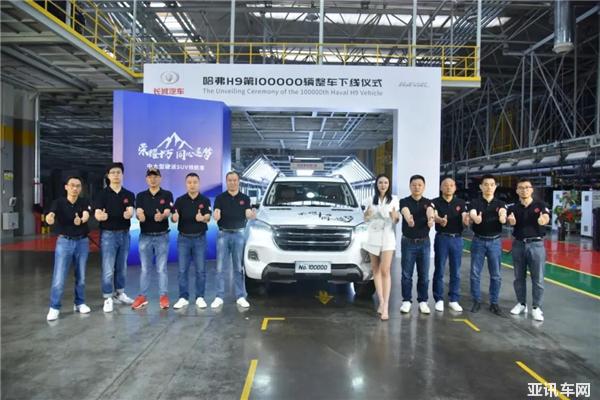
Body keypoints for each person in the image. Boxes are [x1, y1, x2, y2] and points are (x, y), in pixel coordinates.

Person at [46, 176, 92, 321]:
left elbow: (86, 214)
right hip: (64, 242)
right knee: (59, 276)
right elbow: (51, 214)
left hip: (82, 242)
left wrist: (81, 220)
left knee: (81, 275)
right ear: (66, 187)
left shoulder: (84, 201)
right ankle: (54, 307)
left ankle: (79, 303)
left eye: (78, 186)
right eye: (72, 185)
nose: (75, 188)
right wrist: (49, 218)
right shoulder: (58, 202)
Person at [94, 162, 136, 312]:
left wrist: (130, 213)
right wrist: (100, 216)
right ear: (108, 175)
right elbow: (97, 212)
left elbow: (130, 210)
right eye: (113, 172)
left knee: (121, 266)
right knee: (108, 268)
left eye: (118, 172)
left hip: (124, 234)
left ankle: (120, 293)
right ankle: (107, 297)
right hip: (108, 235)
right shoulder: (101, 194)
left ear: (122, 175)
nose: (116, 175)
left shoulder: (128, 194)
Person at [507, 178, 550, 321]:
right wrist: (510, 221)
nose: (524, 190)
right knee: (519, 277)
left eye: (527, 187)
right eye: (521, 187)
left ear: (531, 189)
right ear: (517, 190)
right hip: (518, 245)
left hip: (536, 245)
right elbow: (509, 219)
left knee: (538, 278)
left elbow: (546, 216)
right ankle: (521, 303)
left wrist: (543, 220)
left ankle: (537, 307)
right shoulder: (513, 208)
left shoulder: (540, 205)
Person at [212, 171, 256, 309]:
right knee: (220, 267)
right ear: (226, 182)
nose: (232, 182)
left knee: (238, 267)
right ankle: (219, 296)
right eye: (230, 180)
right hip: (223, 234)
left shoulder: (245, 198)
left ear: (238, 181)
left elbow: (248, 212)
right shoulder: (220, 198)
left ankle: (240, 296)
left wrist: (251, 214)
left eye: (235, 180)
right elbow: (216, 212)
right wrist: (216, 215)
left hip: (239, 235)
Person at [131, 167, 174, 310]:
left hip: (162, 236)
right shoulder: (141, 196)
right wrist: (140, 216)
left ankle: (163, 296)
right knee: (145, 269)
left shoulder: (167, 194)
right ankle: (142, 296)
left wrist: (162, 216)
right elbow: (139, 211)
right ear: (146, 179)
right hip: (145, 237)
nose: (153, 179)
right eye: (150, 177)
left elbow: (168, 211)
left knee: (161, 269)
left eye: (155, 176)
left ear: (160, 178)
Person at [362, 174, 400, 321]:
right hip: (373, 236)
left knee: (385, 269)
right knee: (376, 269)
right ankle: (382, 301)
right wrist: (367, 214)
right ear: (376, 185)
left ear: (389, 185)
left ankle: (386, 306)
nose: (383, 185)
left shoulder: (394, 199)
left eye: (385, 182)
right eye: (380, 183)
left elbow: (396, 219)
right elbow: (365, 218)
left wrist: (394, 217)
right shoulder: (369, 200)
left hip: (388, 237)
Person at [172, 173, 212, 309]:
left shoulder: (205, 200)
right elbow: (174, 217)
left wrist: (203, 218)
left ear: (199, 184)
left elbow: (208, 217)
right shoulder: (180, 200)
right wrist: (174, 218)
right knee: (182, 270)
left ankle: (200, 297)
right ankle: (183, 297)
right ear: (186, 184)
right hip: (183, 239)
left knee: (200, 270)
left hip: (200, 239)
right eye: (189, 182)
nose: (192, 185)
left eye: (195, 182)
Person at [468, 174, 507, 316]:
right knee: (475, 273)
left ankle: (494, 303)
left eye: (491, 184)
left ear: (495, 186)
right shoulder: (475, 202)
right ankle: (476, 301)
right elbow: (472, 212)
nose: (489, 187)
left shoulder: (500, 204)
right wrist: (475, 218)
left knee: (496, 274)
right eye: (486, 184)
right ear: (481, 187)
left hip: (495, 242)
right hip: (478, 241)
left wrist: (503, 217)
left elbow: (503, 212)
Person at [432, 177, 470, 312]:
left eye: (451, 185)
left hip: (457, 239)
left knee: (456, 271)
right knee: (440, 269)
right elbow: (434, 215)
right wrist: (439, 220)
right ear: (441, 187)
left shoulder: (461, 202)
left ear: (455, 188)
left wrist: (466, 220)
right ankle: (439, 299)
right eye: (445, 185)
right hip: (442, 238)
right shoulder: (435, 202)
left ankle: (454, 299)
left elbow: (464, 216)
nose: (448, 187)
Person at [399, 175, 435, 314]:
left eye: (420, 185)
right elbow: (405, 210)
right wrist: (408, 219)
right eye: (414, 185)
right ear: (410, 186)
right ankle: (406, 300)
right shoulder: (404, 201)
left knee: (424, 274)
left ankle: (423, 301)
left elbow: (430, 210)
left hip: (424, 243)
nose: (417, 187)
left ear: (424, 187)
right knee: (406, 274)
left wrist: (431, 219)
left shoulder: (428, 202)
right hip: (408, 242)